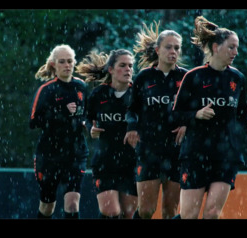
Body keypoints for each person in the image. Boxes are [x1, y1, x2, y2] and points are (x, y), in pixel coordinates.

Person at [172, 16, 247, 219]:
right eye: (231, 47)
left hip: (226, 154)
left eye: (237, 48)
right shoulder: (194, 77)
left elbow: (242, 115)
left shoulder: (237, 79)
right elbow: (176, 115)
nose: (236, 52)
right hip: (195, 153)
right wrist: (196, 114)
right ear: (215, 47)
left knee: (212, 213)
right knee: (188, 215)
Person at [123, 21, 188, 219]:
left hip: (176, 151)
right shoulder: (144, 77)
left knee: (170, 211)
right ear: (158, 50)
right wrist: (132, 127)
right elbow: (131, 110)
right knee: (146, 210)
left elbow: (196, 111)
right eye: (168, 47)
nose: (173, 51)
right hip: (149, 149)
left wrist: (187, 123)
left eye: (177, 48)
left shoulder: (186, 77)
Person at [76, 49, 138, 219]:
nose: (128, 69)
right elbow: (87, 119)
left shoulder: (138, 94)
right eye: (122, 65)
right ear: (111, 69)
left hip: (131, 163)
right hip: (105, 162)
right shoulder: (99, 94)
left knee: (128, 214)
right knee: (111, 211)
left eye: (130, 66)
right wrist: (90, 129)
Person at [29, 44, 89, 219]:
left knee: (72, 203)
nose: (67, 65)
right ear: (54, 64)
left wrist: (88, 124)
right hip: (49, 155)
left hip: (75, 154)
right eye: (62, 62)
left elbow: (87, 114)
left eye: (70, 61)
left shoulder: (82, 87)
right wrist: (60, 112)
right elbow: (33, 122)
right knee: (47, 205)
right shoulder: (46, 90)